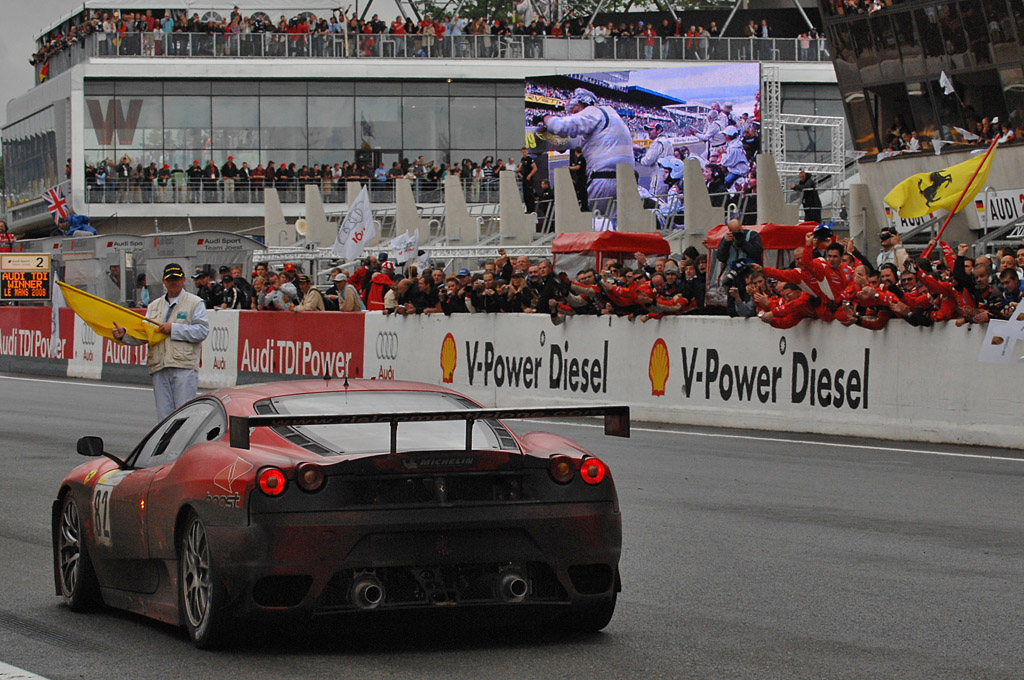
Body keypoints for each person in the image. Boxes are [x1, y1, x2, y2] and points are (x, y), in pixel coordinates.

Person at [112, 263, 210, 420]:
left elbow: (202, 331)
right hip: (159, 365)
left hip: (183, 366)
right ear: (164, 281)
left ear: (184, 280)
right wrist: (124, 335)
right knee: (164, 418)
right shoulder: (154, 306)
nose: (174, 282)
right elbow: (146, 334)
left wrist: (174, 329)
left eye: (177, 279)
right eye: (170, 279)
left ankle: (184, 444)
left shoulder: (195, 303)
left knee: (184, 415)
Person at [538, 88, 633, 221]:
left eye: (576, 112)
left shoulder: (594, 111)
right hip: (626, 180)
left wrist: (546, 118)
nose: (574, 116)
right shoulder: (610, 119)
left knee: (594, 225)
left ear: (585, 105)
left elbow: (560, 126)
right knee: (617, 227)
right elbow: (567, 142)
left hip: (604, 179)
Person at [640, 123, 674, 197]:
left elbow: (648, 160)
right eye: (648, 130)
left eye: (651, 129)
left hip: (658, 174)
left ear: (658, 130)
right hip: (667, 174)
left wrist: (640, 159)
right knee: (664, 198)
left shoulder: (657, 142)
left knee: (655, 198)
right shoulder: (667, 141)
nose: (649, 132)